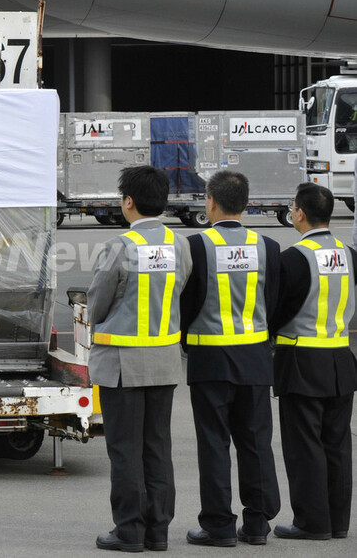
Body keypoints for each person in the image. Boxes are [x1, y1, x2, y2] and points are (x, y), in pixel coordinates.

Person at [88, 166, 192, 553]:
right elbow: (182, 288)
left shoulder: (119, 246)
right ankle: (158, 530)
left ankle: (129, 529)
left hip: (122, 365)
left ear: (128, 201)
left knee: (125, 450)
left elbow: (97, 305)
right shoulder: (180, 245)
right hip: (164, 361)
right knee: (157, 447)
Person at [180, 170, 281, 547]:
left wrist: (188, 339)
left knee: (214, 443)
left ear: (210, 202)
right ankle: (257, 524)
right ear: (246, 203)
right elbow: (273, 300)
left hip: (209, 358)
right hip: (255, 356)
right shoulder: (268, 246)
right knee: (256, 443)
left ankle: (219, 525)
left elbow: (186, 302)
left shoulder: (196, 245)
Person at [270, 182, 357, 541]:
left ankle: (311, 523)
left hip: (302, 360)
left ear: (300, 214)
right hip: (341, 359)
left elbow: (277, 311)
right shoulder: (349, 254)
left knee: (304, 445)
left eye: (293, 207)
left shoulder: (293, 258)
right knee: (337, 444)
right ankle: (338, 522)